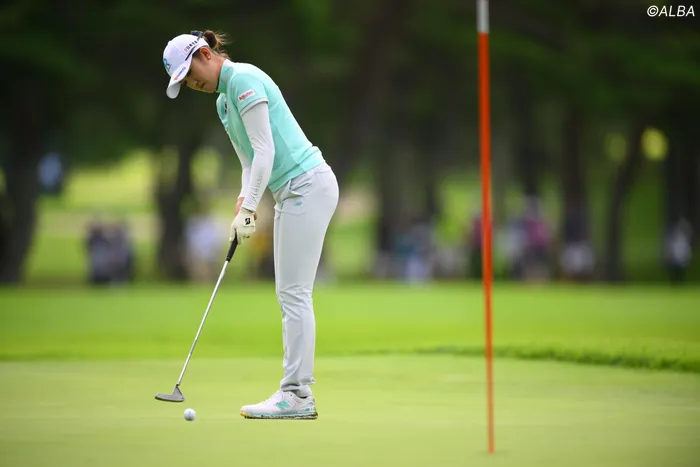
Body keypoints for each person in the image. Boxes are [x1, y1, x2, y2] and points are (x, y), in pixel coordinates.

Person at [162, 30, 339, 419]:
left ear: (205, 54)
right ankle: (296, 393)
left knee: (293, 293)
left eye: (189, 75)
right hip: (290, 192)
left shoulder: (243, 80)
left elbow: (265, 150)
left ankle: (297, 395)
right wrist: (244, 204)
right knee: (289, 292)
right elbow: (248, 162)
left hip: (307, 185)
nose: (191, 84)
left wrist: (253, 205)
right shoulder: (224, 101)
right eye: (184, 82)